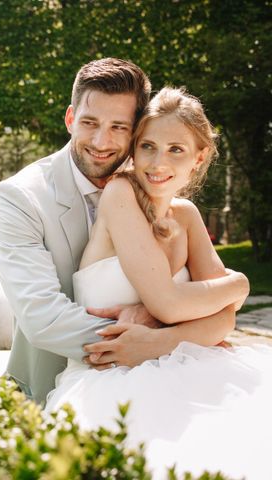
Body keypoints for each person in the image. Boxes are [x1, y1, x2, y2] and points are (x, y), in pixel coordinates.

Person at [43, 87, 272, 479]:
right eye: (147, 146)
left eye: (176, 150)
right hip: (112, 377)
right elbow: (169, 303)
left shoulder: (186, 215)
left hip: (187, 364)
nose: (157, 162)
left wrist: (235, 290)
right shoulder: (120, 193)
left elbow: (225, 321)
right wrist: (224, 294)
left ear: (199, 158)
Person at [0, 58, 244, 405]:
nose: (101, 140)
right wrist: (163, 336)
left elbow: (223, 312)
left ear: (136, 129)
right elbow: (42, 317)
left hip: (169, 380)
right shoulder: (21, 196)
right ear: (70, 119)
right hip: (64, 385)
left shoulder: (157, 184)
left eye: (119, 127)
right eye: (89, 123)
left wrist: (165, 334)